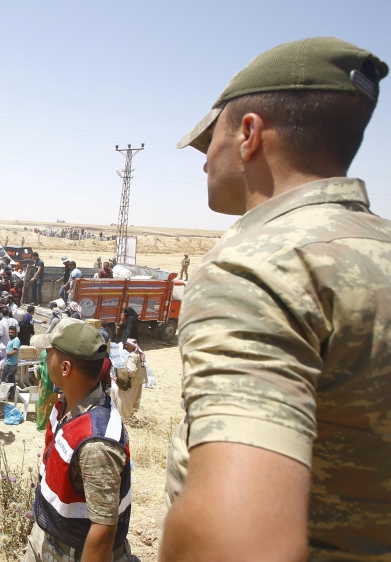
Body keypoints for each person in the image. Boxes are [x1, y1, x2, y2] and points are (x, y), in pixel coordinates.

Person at [162, 38, 391, 561]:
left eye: (208, 142)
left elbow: (234, 542)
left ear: (248, 135)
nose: (203, 164)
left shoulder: (256, 268)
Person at [26, 320, 135, 562]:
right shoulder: (67, 405)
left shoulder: (96, 442)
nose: (45, 358)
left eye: (49, 353)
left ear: (65, 368)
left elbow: (104, 528)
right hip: (50, 540)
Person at [112, 339, 147, 421]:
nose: (126, 346)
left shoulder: (132, 356)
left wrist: (123, 375)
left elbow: (131, 370)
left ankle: (125, 418)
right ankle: (130, 415)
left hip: (132, 382)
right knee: (133, 399)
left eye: (128, 345)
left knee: (125, 400)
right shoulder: (138, 354)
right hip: (138, 381)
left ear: (132, 346)